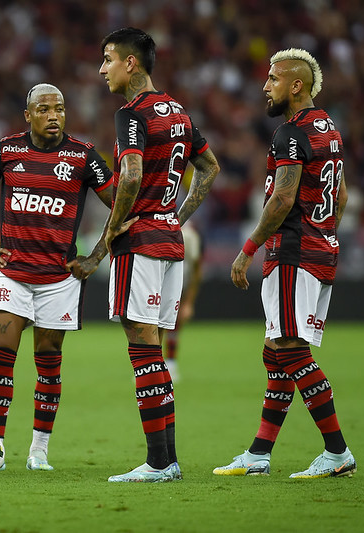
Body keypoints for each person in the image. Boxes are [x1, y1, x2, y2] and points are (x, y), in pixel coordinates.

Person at [213, 48, 355, 479]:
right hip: (318, 249)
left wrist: (248, 248)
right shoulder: (327, 127)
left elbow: (282, 198)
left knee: (290, 349)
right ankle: (259, 453)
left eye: (273, 79)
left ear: (297, 86)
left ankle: (337, 452)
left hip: (294, 252)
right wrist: (326, 234)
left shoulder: (290, 133)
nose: (265, 86)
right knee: (276, 350)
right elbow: (342, 195)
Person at [0, 83, 114, 471]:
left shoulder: (83, 157)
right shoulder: (6, 150)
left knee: (49, 362)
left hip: (58, 280)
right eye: (44, 109)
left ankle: (38, 452)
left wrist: (96, 255)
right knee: (0, 358)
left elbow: (122, 204)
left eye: (59, 109)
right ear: (28, 115)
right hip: (12, 274)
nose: (53, 116)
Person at [99, 27, 221, 482]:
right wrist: (177, 216)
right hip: (169, 243)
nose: (102, 68)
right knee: (154, 355)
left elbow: (129, 176)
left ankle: (158, 462)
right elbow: (209, 169)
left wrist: (113, 229)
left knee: (143, 353)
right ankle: (166, 461)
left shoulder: (130, 114)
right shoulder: (178, 112)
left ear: (132, 64)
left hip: (142, 245)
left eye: (108, 58)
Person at [163, 222, 204, 381]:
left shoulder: (189, 236)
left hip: (179, 284)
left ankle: (170, 364)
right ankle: (154, 366)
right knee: (154, 324)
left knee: (174, 325)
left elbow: (196, 270)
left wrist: (188, 302)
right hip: (160, 281)